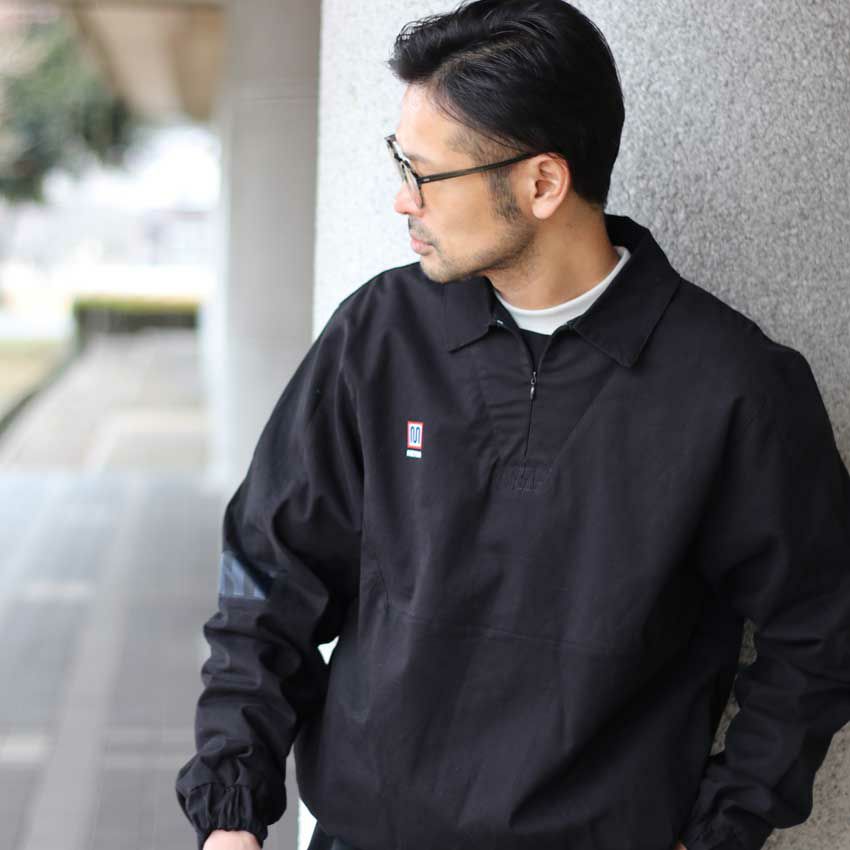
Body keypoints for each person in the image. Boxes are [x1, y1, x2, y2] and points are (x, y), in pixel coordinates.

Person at [174, 2, 850, 849]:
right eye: (399, 161)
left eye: (426, 173)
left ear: (541, 184)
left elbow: (821, 629)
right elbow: (269, 574)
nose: (402, 198)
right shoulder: (381, 335)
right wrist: (230, 815)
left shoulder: (732, 386)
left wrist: (722, 830)